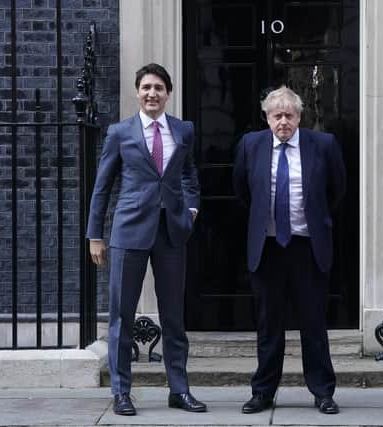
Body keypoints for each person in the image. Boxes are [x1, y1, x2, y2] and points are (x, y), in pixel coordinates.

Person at [87, 63, 207, 416]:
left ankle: (179, 389)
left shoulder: (183, 130)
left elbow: (189, 175)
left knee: (174, 317)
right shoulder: (119, 133)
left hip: (171, 232)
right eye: (146, 88)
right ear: (137, 93)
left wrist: (192, 211)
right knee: (122, 318)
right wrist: (96, 235)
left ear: (168, 93)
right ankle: (122, 391)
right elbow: (102, 187)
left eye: (158, 87)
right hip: (129, 232)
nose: (152, 93)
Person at [233, 86, 346, 415]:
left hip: (307, 247)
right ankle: (263, 392)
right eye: (276, 115)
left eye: (289, 115)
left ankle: (323, 391)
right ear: (266, 117)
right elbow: (241, 189)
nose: (283, 121)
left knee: (313, 323)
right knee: (269, 324)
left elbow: (337, 189)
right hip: (267, 247)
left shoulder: (322, 145)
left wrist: (316, 218)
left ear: (300, 117)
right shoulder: (250, 145)